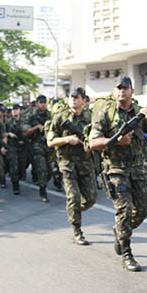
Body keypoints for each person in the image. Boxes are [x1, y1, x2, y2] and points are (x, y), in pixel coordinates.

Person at [89, 76, 147, 272]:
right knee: (124, 209)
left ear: (132, 90)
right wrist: (116, 141)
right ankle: (127, 252)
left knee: (143, 210)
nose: (122, 91)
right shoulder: (106, 113)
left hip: (137, 168)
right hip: (115, 168)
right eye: (119, 88)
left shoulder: (140, 112)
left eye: (126, 87)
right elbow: (93, 142)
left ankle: (120, 231)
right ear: (114, 91)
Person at [47, 87, 97, 246]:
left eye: (77, 97)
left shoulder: (91, 117)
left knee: (90, 199)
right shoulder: (60, 117)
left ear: (84, 100)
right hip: (67, 163)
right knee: (73, 197)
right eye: (71, 97)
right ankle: (77, 230)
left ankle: (73, 211)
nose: (73, 99)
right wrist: (67, 139)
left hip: (85, 162)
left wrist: (90, 144)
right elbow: (50, 142)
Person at [23, 95, 52, 202]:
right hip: (36, 144)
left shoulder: (50, 114)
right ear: (36, 103)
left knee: (51, 170)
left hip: (49, 144)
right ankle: (43, 192)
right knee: (41, 168)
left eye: (44, 102)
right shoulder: (30, 115)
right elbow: (25, 132)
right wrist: (36, 127)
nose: (43, 104)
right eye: (40, 102)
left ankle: (43, 182)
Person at [4, 104, 28, 195]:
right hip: (12, 146)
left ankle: (21, 175)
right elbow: (2, 132)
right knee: (13, 165)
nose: (15, 111)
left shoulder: (25, 121)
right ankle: (15, 185)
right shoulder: (8, 122)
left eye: (16, 109)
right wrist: (9, 134)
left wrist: (24, 140)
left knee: (22, 165)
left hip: (23, 146)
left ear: (20, 111)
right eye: (13, 110)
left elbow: (29, 132)